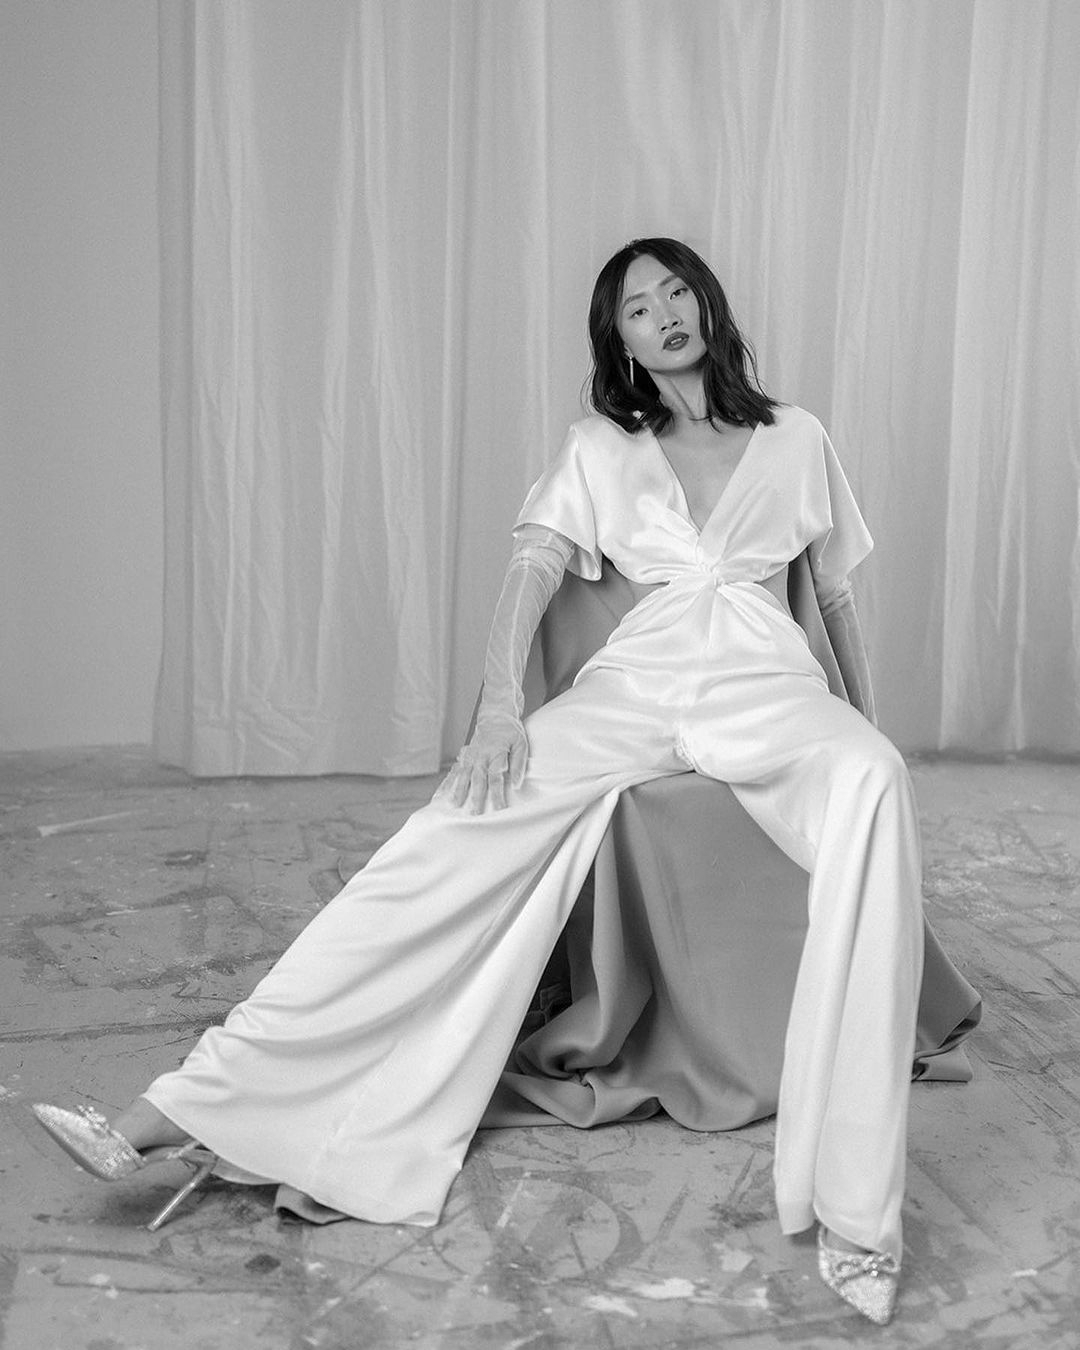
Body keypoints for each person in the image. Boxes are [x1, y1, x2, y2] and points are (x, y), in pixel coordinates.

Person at [33, 238, 922, 1326]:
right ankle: (175, 1110)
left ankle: (858, 1215)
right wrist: (501, 709)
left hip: (763, 686)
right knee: (439, 843)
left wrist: (863, 719)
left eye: (676, 291)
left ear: (708, 303)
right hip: (637, 687)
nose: (664, 314)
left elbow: (833, 597)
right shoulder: (600, 446)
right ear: (621, 342)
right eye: (637, 308)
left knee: (875, 780)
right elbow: (531, 572)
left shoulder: (796, 437)